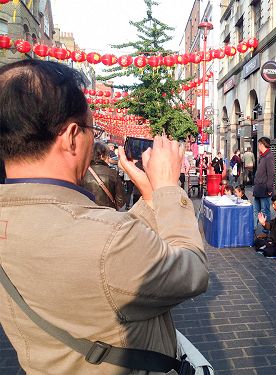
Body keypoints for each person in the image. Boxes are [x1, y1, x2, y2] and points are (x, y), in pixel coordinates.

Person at [0, 60, 208, 373]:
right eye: (90, 129)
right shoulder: (107, 242)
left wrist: (150, 198)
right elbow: (191, 270)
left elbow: (107, 257)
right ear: (71, 136)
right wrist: (167, 189)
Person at [81, 141, 126, 209]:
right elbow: (121, 201)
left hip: (86, 214)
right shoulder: (113, 173)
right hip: (107, 214)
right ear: (102, 156)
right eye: (108, 156)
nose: (109, 158)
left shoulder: (81, 172)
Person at [253, 137, 274, 231]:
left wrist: (269, 189)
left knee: (265, 211)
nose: (258, 146)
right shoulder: (262, 156)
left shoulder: (269, 156)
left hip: (264, 189)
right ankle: (253, 228)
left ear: (262, 144)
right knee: (255, 210)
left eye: (259, 144)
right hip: (258, 188)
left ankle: (266, 231)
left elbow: (271, 174)